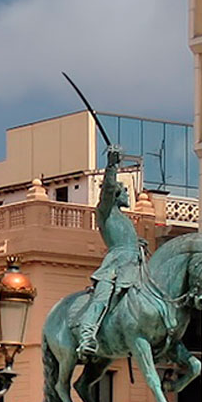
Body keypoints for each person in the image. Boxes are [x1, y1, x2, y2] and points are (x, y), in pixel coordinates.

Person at [73, 144, 145, 360]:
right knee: (102, 298)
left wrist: (137, 242)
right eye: (124, 192)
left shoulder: (125, 220)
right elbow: (106, 190)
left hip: (135, 264)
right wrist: (112, 165)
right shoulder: (105, 212)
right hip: (115, 265)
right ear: (114, 195)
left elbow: (127, 239)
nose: (128, 197)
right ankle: (87, 336)